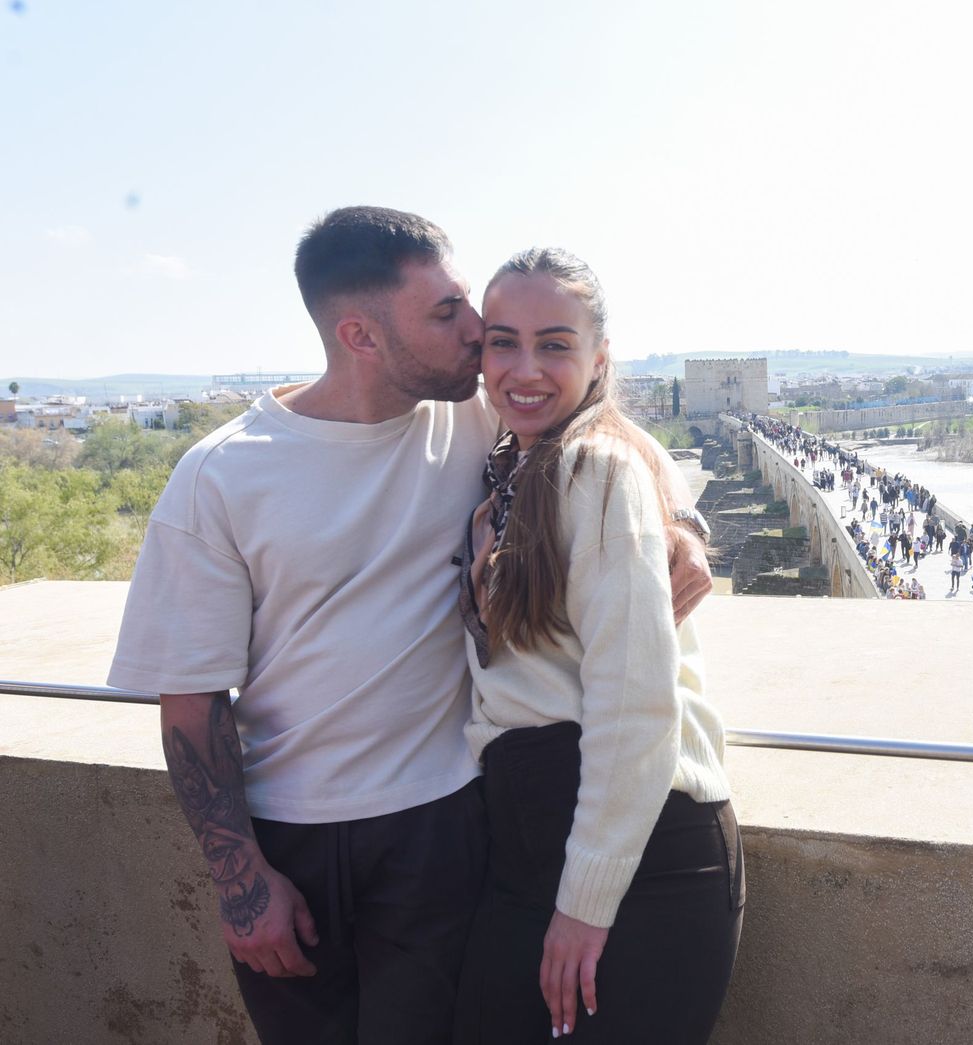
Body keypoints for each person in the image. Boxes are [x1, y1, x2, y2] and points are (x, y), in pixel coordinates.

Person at [107, 208, 712, 1045]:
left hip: (445, 830)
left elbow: (598, 421)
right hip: (290, 840)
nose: (477, 334)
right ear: (360, 334)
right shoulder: (220, 474)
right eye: (447, 314)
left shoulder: (470, 414)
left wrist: (680, 519)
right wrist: (240, 879)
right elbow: (190, 700)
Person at [453, 248, 741, 1045]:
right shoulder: (514, 463)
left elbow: (633, 702)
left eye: (554, 344)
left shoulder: (597, 470)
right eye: (503, 342)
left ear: (598, 359)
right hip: (542, 847)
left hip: (636, 860)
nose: (525, 368)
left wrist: (585, 902)